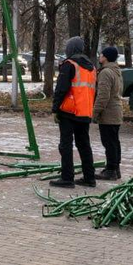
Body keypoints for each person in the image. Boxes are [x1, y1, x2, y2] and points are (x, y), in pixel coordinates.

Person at [49, 36, 98, 188]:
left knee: (66, 145)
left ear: (70, 49)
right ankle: (89, 178)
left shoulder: (69, 65)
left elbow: (61, 89)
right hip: (85, 112)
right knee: (84, 145)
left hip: (69, 112)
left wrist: (55, 109)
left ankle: (67, 178)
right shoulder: (91, 67)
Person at [94, 45, 124, 180]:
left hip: (109, 113)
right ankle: (115, 168)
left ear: (105, 57)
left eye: (101, 54)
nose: (100, 56)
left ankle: (111, 170)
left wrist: (95, 113)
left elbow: (103, 96)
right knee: (114, 141)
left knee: (109, 142)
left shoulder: (106, 72)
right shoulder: (116, 70)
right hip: (116, 111)